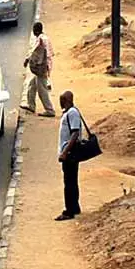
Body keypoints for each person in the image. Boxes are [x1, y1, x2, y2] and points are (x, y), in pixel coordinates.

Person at [55, 90, 84, 221]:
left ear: (67, 100)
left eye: (62, 100)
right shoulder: (69, 112)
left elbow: (75, 133)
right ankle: (75, 207)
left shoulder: (72, 113)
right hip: (69, 152)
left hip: (70, 153)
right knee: (72, 181)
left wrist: (65, 152)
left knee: (69, 183)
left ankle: (69, 211)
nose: (60, 102)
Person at [21, 21, 55, 117]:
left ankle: (49, 110)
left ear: (35, 31)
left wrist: (27, 60)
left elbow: (33, 51)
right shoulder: (45, 38)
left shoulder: (40, 40)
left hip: (42, 68)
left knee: (42, 90)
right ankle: (31, 105)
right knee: (32, 86)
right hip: (45, 66)